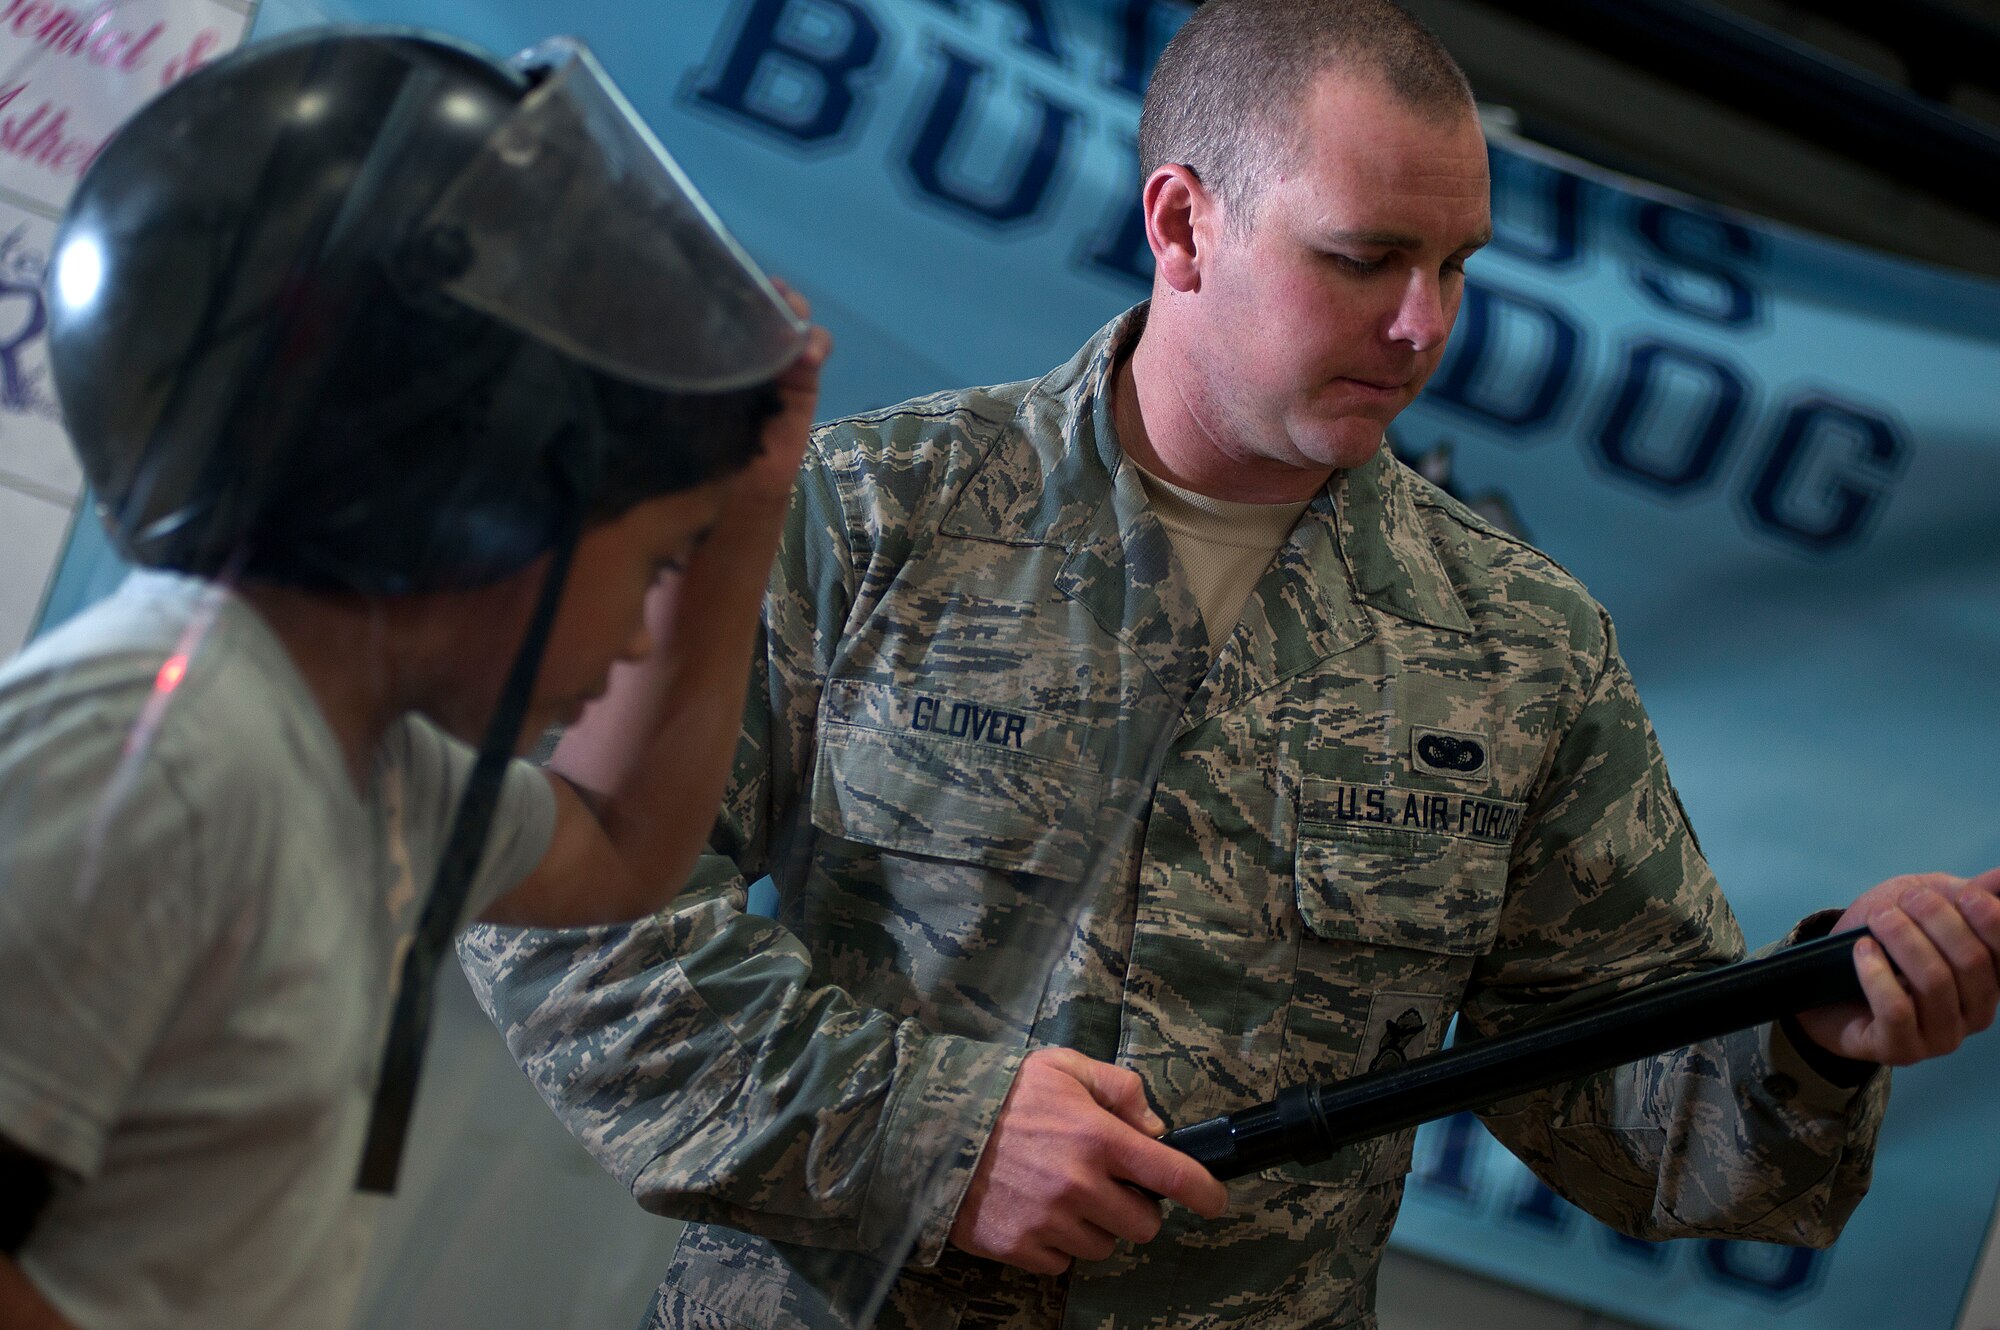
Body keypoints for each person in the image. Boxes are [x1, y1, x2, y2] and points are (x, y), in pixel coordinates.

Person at [463, 2, 2000, 1327]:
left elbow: (1639, 1119)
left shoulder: (1518, 655)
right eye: (1365, 258)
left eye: (1459, 267)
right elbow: (568, 915)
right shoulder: (871, 516)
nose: (1424, 325)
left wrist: (1812, 1030)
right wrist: (929, 1127)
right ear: (1183, 222)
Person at [0, 27, 830, 1330]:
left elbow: (622, 844)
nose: (638, 633)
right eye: (655, 561)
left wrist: (745, 514)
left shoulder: (370, 767)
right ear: (480, 494)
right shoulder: (158, 752)